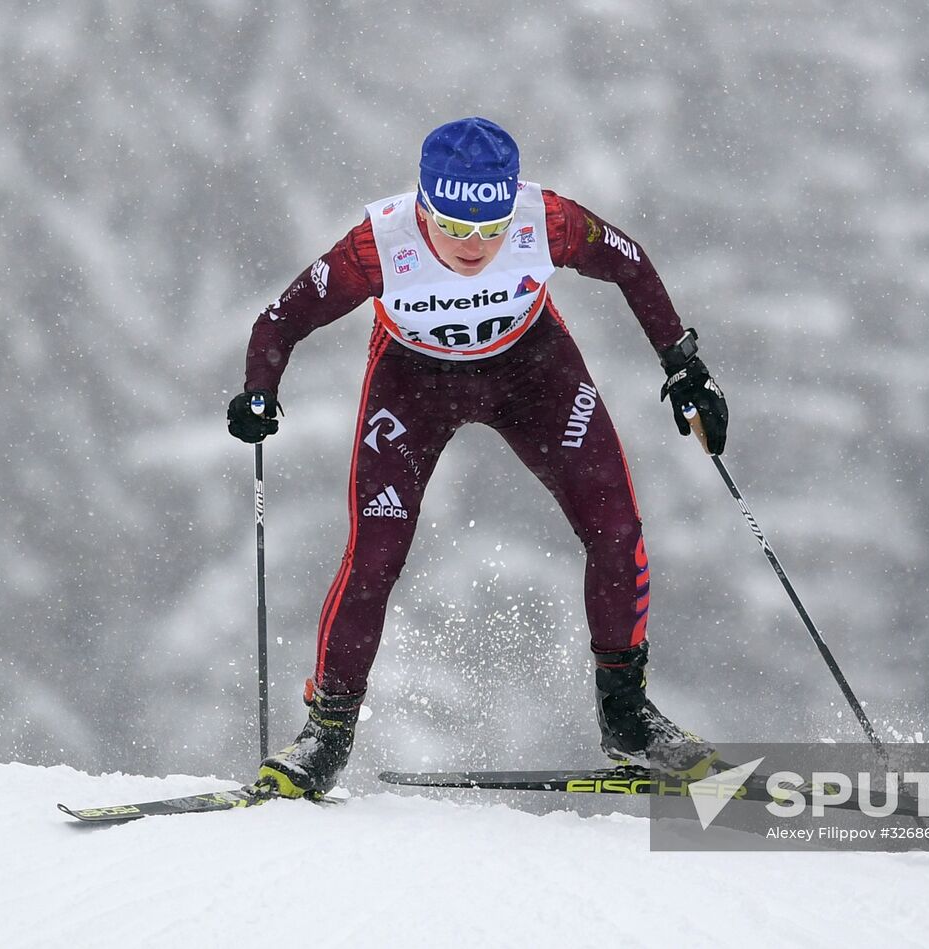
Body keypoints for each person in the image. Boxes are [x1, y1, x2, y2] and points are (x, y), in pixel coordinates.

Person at [227, 117, 729, 798]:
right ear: (424, 207)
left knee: (616, 530)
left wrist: (683, 365)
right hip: (413, 384)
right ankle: (325, 734)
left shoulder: (548, 221)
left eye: (490, 228)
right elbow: (280, 320)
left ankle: (628, 719)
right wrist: (260, 391)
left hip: (533, 372)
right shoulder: (378, 245)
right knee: (375, 555)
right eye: (455, 229)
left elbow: (630, 263)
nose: (474, 246)